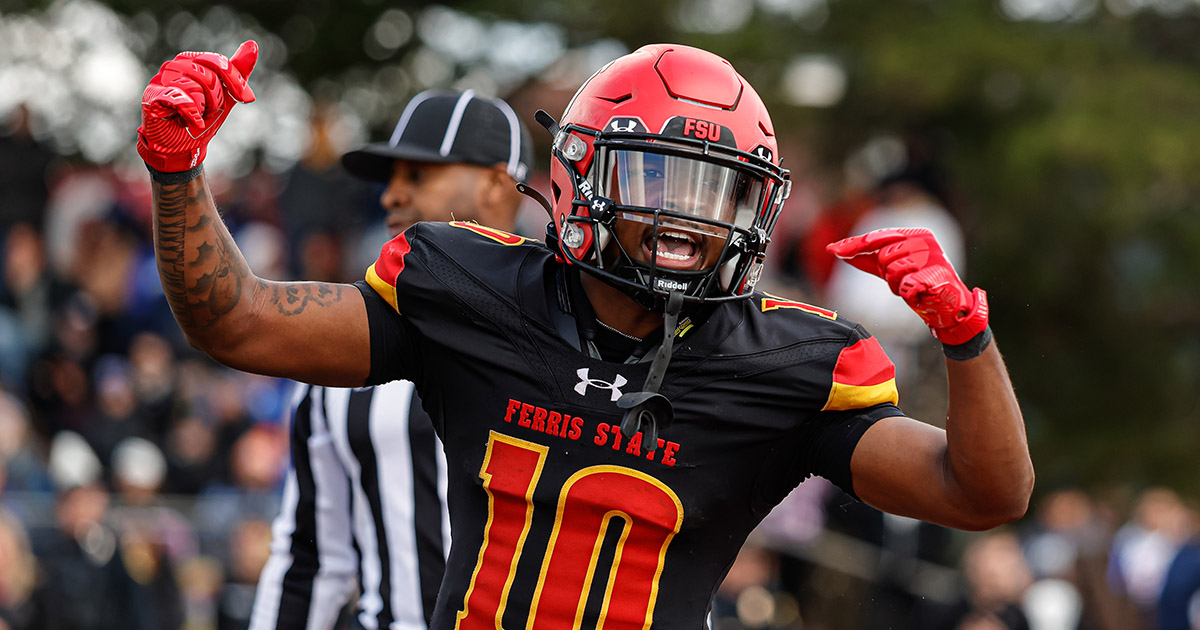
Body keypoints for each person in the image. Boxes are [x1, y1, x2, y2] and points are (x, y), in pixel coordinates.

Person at [137, 41, 1034, 629]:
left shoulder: (785, 363)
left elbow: (984, 492)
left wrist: (968, 341)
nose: (687, 220)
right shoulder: (472, 289)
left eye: (714, 192)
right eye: (658, 177)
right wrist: (177, 172)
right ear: (579, 176)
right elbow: (238, 323)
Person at [248, 89, 533, 630]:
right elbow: (309, 560)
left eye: (418, 176)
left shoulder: (578, 329)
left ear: (498, 184)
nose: (390, 196)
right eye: (390, 178)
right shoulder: (341, 340)